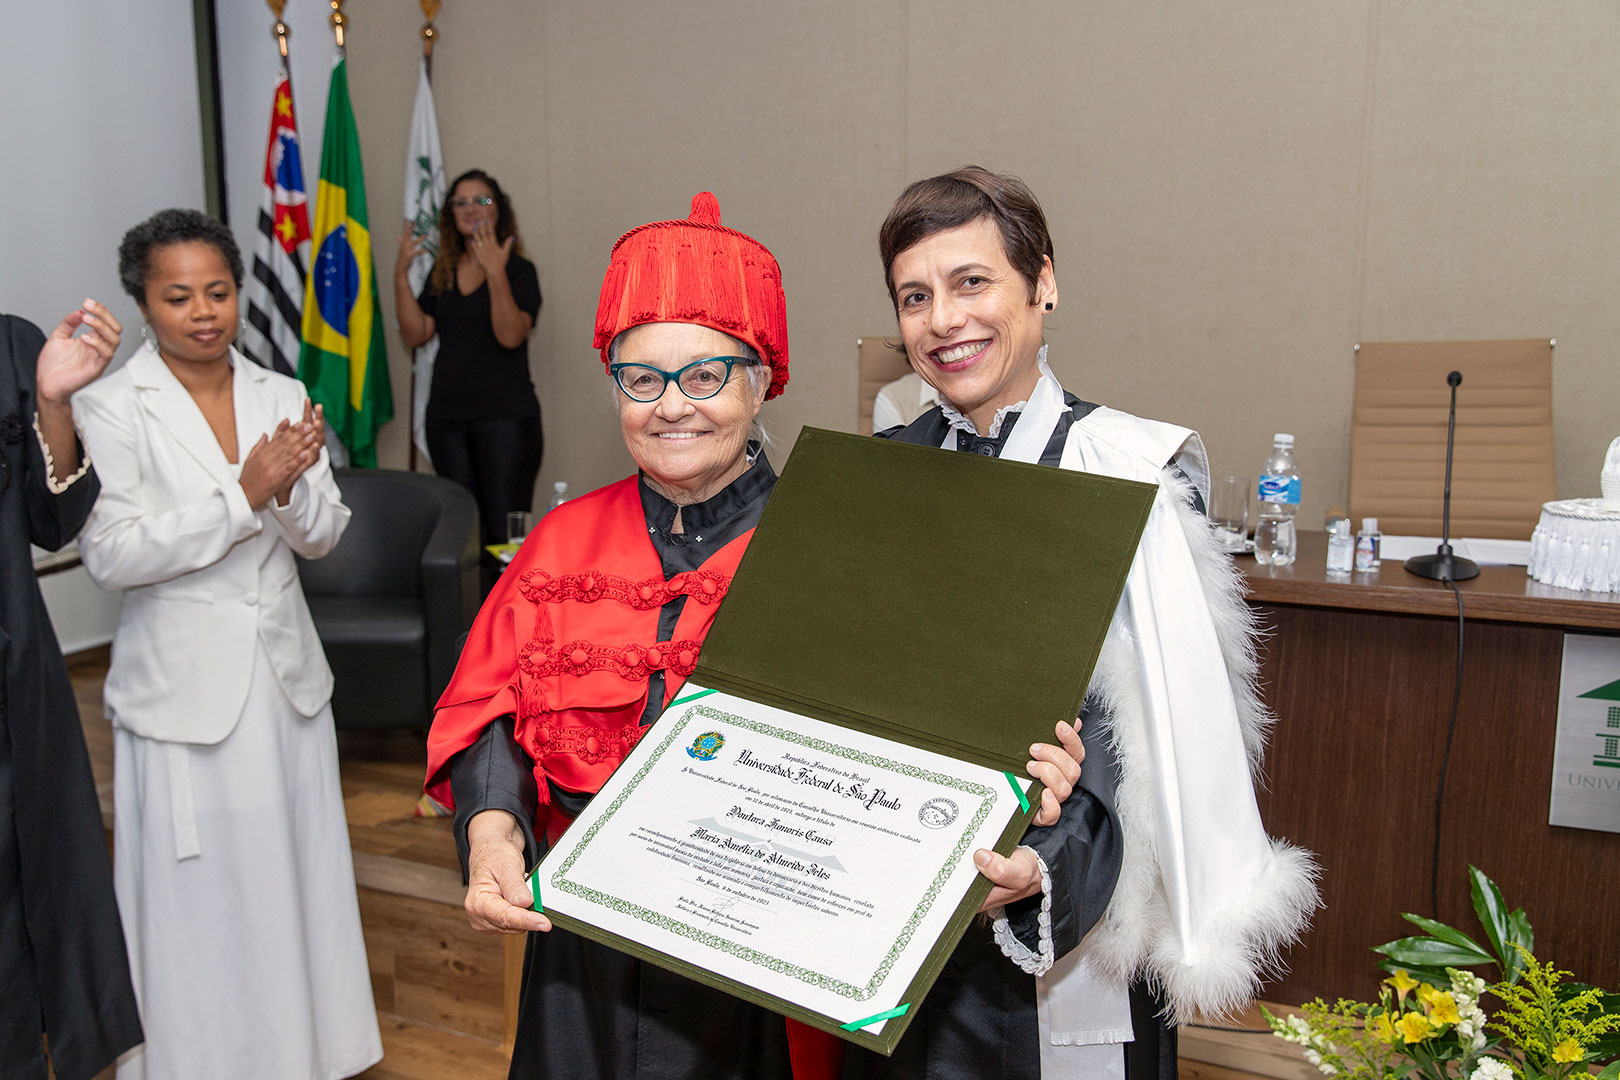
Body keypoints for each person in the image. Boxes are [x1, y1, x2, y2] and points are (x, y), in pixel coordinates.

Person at [423, 192, 1089, 1080]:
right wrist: (495, 832)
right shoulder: (561, 542)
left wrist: (1019, 792)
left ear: (761, 377)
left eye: (705, 375)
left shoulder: (841, 543)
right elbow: (490, 714)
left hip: (767, 968)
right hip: (578, 954)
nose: (671, 407)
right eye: (641, 377)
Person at [862, 167, 1320, 1079]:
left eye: (972, 282)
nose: (945, 320)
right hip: (899, 907)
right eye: (916, 297)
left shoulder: (1131, 473)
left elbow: (1150, 732)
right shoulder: (883, 474)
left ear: (1045, 283)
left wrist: (1050, 860)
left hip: (1070, 912)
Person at [74, 208, 381, 1080]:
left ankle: (308, 1054)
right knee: (200, 904)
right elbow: (112, 554)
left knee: (296, 884)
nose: (203, 311)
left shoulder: (282, 394)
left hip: (283, 682)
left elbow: (322, 535)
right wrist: (243, 496)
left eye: (217, 291)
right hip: (182, 691)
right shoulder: (109, 406)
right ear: (144, 301)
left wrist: (285, 494)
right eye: (178, 296)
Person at [0, 301, 143, 1080]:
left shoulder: (13, 343)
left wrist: (53, 403)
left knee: (27, 916)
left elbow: (54, 520)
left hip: (14, 692)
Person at [395, 168, 544, 547]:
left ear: (500, 211)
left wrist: (495, 271)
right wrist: (400, 275)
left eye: (482, 200)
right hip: (447, 420)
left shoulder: (519, 270)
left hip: (505, 420)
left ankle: (505, 608)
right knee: (461, 531)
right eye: (460, 202)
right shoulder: (441, 272)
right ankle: (469, 609)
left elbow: (510, 336)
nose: (471, 208)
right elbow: (416, 334)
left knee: (501, 533)